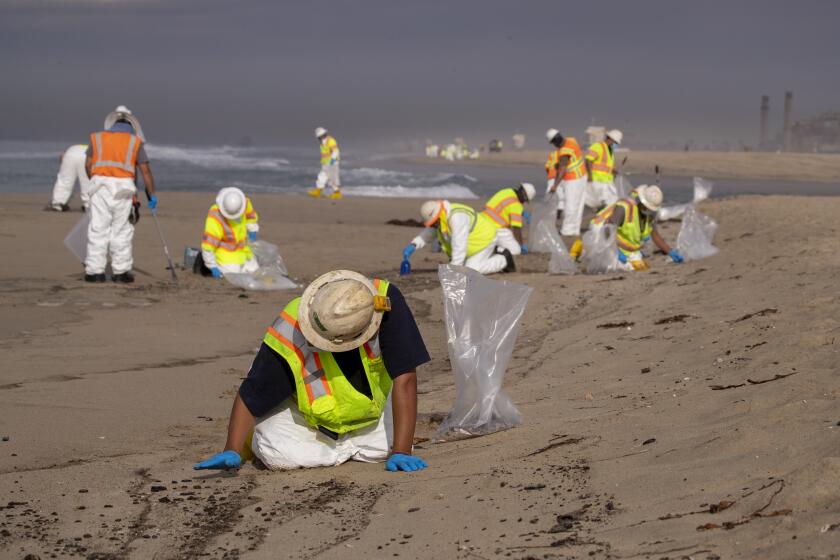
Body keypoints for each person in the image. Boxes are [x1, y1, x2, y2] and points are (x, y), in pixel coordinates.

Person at [194, 270, 430, 472]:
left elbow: (405, 378)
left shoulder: (384, 300)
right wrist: (233, 449)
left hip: (369, 413)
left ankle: (348, 448)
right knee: (278, 455)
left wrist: (401, 451)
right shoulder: (290, 327)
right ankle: (346, 448)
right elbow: (253, 391)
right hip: (308, 419)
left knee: (398, 442)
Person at [83, 105, 156, 284]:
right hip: (124, 189)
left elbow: (87, 165)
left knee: (98, 229)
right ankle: (121, 272)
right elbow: (145, 171)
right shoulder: (135, 142)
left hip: (99, 187)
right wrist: (151, 195)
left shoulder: (97, 138)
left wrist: (97, 179)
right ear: (132, 125)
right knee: (121, 231)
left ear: (113, 123)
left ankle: (95, 272)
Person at [402, 200, 514, 274]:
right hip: (473, 244)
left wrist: (454, 271)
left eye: (433, 223)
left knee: (471, 269)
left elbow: (459, 246)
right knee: (464, 266)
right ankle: (493, 253)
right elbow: (430, 232)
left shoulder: (457, 218)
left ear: (438, 217)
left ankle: (504, 259)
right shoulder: (442, 219)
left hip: (485, 239)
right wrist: (415, 244)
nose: (432, 226)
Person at [590, 184, 684, 271]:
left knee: (642, 268)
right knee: (623, 269)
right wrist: (615, 251)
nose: (649, 211)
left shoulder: (651, 213)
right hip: (611, 245)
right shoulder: (625, 207)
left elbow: (655, 234)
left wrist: (670, 251)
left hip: (630, 249)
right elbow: (607, 230)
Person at [546, 129, 588, 258]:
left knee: (570, 205)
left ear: (554, 142)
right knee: (578, 205)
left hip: (573, 180)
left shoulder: (564, 151)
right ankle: (574, 229)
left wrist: (555, 185)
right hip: (582, 176)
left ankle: (567, 230)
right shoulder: (571, 140)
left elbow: (563, 169)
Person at [200, 187, 260, 278]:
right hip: (226, 254)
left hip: (244, 250)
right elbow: (208, 245)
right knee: (234, 274)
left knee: (255, 271)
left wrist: (252, 228)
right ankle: (204, 261)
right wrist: (212, 266)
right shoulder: (215, 218)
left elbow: (250, 215)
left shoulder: (242, 202)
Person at [482, 182, 536, 255]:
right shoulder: (516, 205)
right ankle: (494, 249)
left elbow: (503, 205)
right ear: (524, 194)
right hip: (496, 229)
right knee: (515, 250)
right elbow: (516, 229)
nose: (524, 202)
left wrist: (521, 213)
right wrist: (520, 246)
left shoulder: (507, 191)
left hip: (483, 221)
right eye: (525, 200)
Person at [584, 129, 622, 211]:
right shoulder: (598, 146)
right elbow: (588, 161)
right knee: (605, 203)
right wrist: (590, 177)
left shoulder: (610, 151)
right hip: (598, 181)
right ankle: (600, 219)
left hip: (607, 181)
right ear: (610, 139)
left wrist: (613, 171)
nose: (615, 145)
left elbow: (605, 166)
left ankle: (602, 219)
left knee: (612, 202)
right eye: (615, 143)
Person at [49, 144, 92, 212]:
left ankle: (58, 203)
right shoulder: (96, 145)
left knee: (64, 180)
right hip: (86, 154)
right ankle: (88, 204)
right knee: (87, 180)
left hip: (70, 152)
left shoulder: (76, 147)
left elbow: (62, 156)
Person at [308, 127, 342, 199]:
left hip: (332, 163)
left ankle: (337, 193)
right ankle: (318, 191)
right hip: (326, 163)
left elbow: (335, 152)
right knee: (322, 176)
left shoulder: (330, 141)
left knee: (332, 178)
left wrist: (332, 161)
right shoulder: (323, 142)